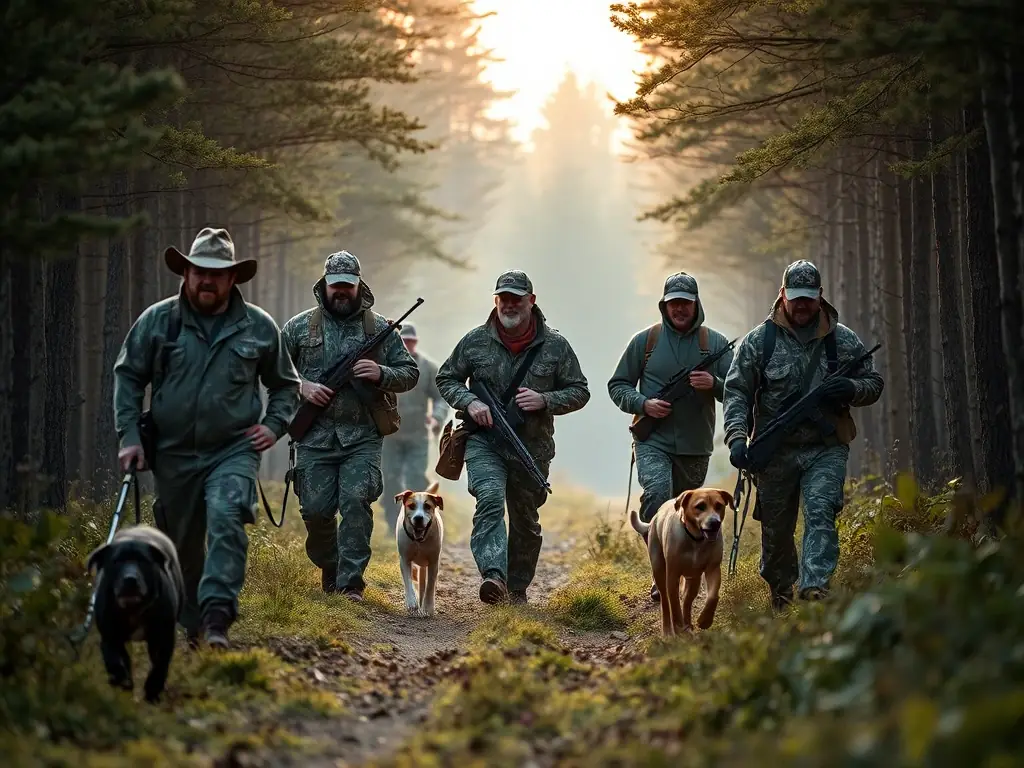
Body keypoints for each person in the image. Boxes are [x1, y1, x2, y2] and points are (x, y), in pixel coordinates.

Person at [113, 227, 300, 650]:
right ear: (186, 272)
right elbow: (127, 376)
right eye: (199, 271)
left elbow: (285, 384)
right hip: (172, 452)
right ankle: (192, 622)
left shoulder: (258, 327)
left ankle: (218, 616)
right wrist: (129, 437)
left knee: (227, 513)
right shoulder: (158, 321)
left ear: (233, 277)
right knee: (182, 543)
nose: (207, 280)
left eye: (217, 273)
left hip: (233, 448)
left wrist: (273, 425)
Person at [723, 259, 884, 610]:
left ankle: (815, 590)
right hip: (775, 450)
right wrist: (737, 437)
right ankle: (781, 594)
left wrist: (850, 388)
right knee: (776, 532)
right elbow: (736, 391)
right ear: (782, 295)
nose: (801, 305)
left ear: (820, 296)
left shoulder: (843, 340)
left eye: (808, 298)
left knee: (820, 510)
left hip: (826, 448)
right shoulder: (758, 342)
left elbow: (874, 384)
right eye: (795, 297)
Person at [435, 269, 590, 604]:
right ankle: (494, 576)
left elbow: (580, 391)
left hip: (531, 448)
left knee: (525, 520)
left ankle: (517, 587)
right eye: (503, 298)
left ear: (531, 301)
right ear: (496, 300)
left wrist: (545, 400)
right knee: (490, 499)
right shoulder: (474, 341)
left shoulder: (556, 347)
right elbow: (446, 378)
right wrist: (470, 401)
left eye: (516, 299)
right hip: (484, 442)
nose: (509, 305)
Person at [281, 251, 419, 601]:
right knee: (315, 510)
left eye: (348, 285)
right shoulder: (298, 328)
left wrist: (381, 373)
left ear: (359, 285)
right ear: (324, 286)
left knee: (357, 502)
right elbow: (272, 372)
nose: (341, 291)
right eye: (335, 286)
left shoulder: (381, 330)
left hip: (362, 437)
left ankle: (351, 583)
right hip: (314, 437)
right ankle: (331, 566)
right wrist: (302, 387)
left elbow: (410, 374)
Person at [608, 271, 734, 602]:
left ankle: (682, 570)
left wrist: (715, 385)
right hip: (653, 440)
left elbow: (739, 391)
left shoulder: (716, 344)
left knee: (690, 515)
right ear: (664, 305)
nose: (679, 309)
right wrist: (643, 403)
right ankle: (662, 575)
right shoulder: (644, 342)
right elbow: (617, 385)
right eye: (673, 303)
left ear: (696, 305)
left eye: (685, 303)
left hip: (696, 445)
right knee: (657, 495)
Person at [381, 323, 449, 535]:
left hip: (418, 435)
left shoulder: (428, 368)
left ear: (415, 342)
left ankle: (423, 522)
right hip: (389, 435)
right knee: (390, 478)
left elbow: (441, 399)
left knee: (415, 477)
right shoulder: (384, 366)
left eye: (410, 341)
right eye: (402, 341)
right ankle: (395, 524)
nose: (406, 345)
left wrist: (437, 418)